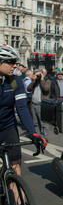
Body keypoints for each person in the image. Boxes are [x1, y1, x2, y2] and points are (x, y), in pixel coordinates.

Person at [0, 45, 47, 177]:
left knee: (15, 167)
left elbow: (22, 108)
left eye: (16, 62)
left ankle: (18, 198)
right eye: (11, 62)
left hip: (8, 127)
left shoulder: (14, 81)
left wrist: (33, 133)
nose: (15, 66)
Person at [27, 68, 52, 137]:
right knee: (35, 122)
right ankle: (38, 136)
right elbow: (28, 89)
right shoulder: (35, 82)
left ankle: (44, 137)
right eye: (36, 75)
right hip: (33, 104)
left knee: (43, 122)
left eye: (39, 75)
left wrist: (42, 79)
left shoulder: (47, 80)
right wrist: (34, 80)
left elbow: (46, 89)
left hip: (42, 105)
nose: (38, 76)